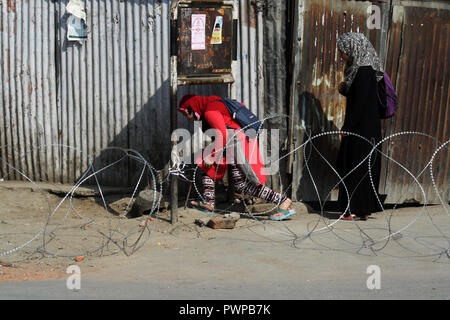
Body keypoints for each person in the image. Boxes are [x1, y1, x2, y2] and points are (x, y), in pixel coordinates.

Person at [177, 94, 295, 221]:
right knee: (206, 168)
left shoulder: (210, 111)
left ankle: (283, 200)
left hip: (237, 143)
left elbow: (222, 134)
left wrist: (213, 157)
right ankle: (208, 203)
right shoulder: (214, 103)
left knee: (242, 185)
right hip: (229, 144)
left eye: (186, 114)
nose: (188, 118)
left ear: (191, 108)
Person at [336, 32, 384, 221]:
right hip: (363, 127)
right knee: (360, 167)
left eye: (343, 51)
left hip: (361, 129)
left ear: (352, 49)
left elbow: (360, 104)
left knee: (356, 167)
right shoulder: (361, 69)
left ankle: (354, 208)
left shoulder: (363, 71)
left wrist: (347, 128)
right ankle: (359, 208)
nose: (341, 55)